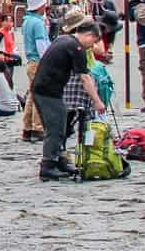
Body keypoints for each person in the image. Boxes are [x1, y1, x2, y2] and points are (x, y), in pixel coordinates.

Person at [31, 18, 103, 181]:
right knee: (56, 128)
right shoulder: (76, 48)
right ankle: (48, 165)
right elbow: (85, 78)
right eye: (93, 41)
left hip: (45, 89)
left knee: (63, 123)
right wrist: (97, 101)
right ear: (89, 35)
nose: (92, 46)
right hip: (47, 91)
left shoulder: (64, 39)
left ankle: (60, 160)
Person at [19, 0, 52, 141]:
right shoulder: (38, 23)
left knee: (32, 95)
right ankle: (38, 127)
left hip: (31, 62)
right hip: (39, 62)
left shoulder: (27, 21)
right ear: (40, 6)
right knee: (41, 95)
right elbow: (41, 45)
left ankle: (27, 127)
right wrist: (49, 61)